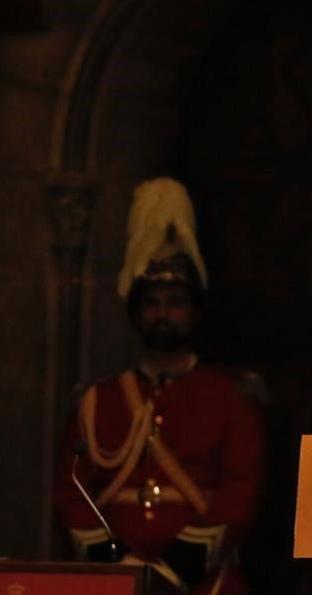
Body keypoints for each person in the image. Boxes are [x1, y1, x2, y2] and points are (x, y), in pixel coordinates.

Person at [54, 178, 264, 595]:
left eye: (175, 302)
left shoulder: (229, 400)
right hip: (116, 583)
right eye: (152, 303)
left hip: (204, 583)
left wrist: (174, 570)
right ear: (135, 314)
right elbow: (72, 492)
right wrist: (120, 568)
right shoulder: (99, 402)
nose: (163, 314)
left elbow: (239, 492)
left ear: (194, 312)